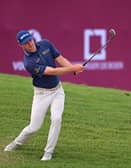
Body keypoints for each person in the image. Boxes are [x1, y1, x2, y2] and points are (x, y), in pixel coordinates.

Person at [4, 30, 84, 161]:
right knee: (34, 127)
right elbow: (52, 71)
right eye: (26, 43)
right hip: (41, 94)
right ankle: (16, 143)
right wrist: (73, 69)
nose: (30, 43)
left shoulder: (46, 44)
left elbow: (60, 59)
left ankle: (48, 152)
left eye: (30, 40)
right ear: (21, 46)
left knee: (56, 119)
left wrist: (72, 68)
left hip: (57, 91)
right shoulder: (29, 62)